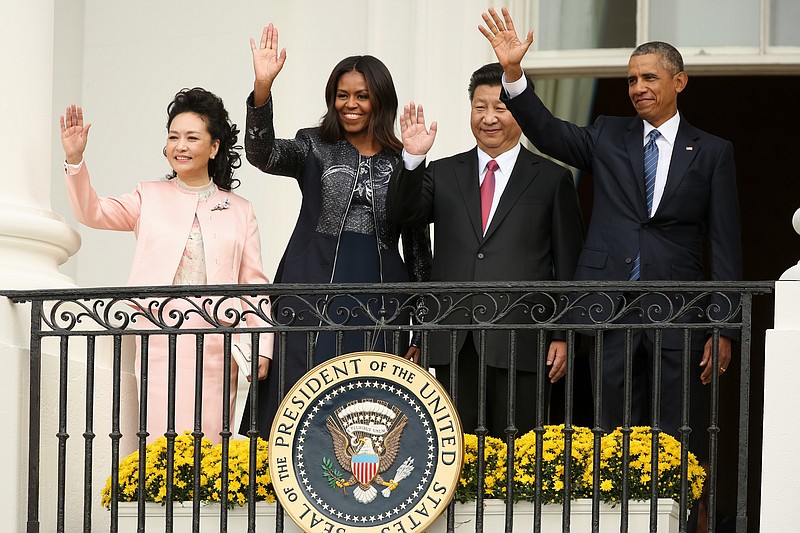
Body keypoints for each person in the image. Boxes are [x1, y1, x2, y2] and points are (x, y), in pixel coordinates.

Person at [479, 8, 743, 450]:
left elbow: (725, 243)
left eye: (649, 78)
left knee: (678, 430)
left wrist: (724, 327)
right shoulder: (608, 134)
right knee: (611, 430)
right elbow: (548, 133)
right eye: (632, 80)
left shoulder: (713, 152)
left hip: (676, 309)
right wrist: (514, 75)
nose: (638, 88)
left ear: (678, 82)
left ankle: (671, 516)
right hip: (608, 306)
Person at [239, 24, 431, 438]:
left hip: (380, 302)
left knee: (368, 413)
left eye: (362, 95)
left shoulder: (405, 160)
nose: (351, 104)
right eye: (342, 95)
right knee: (299, 403)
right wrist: (262, 89)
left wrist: (422, 327)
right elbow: (262, 153)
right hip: (310, 289)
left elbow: (418, 247)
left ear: (381, 99)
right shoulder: (314, 145)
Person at [61, 88, 273, 444]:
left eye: (192, 137)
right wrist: (75, 160)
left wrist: (262, 343)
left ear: (214, 147)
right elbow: (91, 212)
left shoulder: (240, 209)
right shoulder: (148, 196)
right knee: (160, 435)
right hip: (157, 334)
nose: (181, 146)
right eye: (174, 137)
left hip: (219, 341)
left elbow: (253, 282)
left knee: (210, 440)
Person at [388, 63, 584, 438]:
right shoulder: (443, 172)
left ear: (522, 112)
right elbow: (404, 212)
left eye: (501, 107)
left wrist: (563, 334)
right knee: (455, 457)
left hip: (523, 338)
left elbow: (568, 263)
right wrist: (412, 160)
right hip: (453, 339)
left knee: (520, 455)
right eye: (480, 108)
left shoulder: (551, 178)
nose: (489, 118)